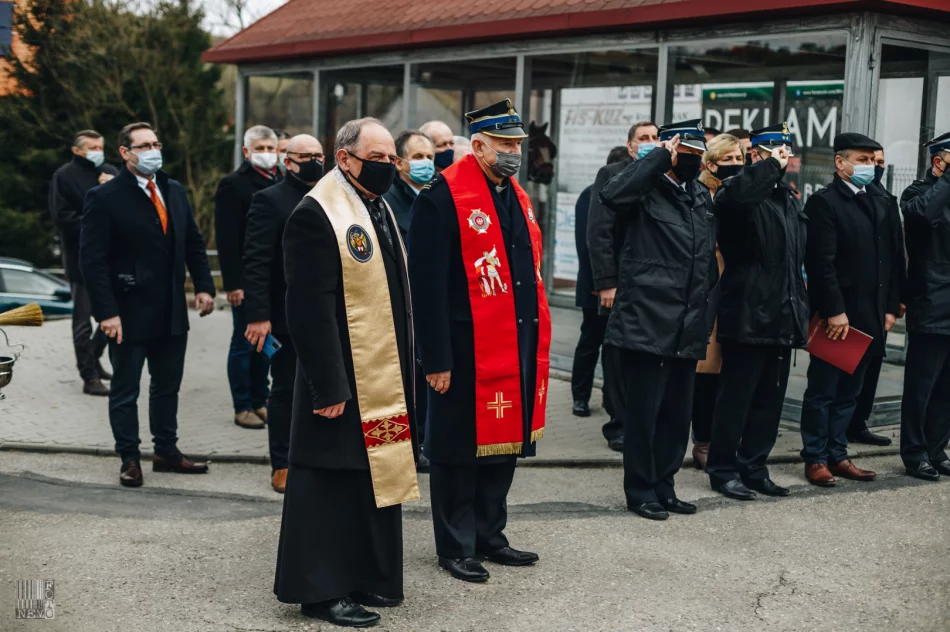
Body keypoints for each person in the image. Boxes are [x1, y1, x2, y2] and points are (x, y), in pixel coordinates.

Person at [274, 118, 419, 628]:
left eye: (390, 158)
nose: (387, 167)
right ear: (344, 158)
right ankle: (321, 590)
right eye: (376, 158)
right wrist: (328, 384)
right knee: (329, 486)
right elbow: (308, 309)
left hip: (379, 373)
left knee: (370, 480)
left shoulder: (375, 204)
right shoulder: (317, 214)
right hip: (337, 379)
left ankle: (368, 576)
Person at [409, 99, 549, 582]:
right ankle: (455, 545)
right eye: (506, 144)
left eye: (517, 144)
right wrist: (435, 358)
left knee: (503, 447)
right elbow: (425, 288)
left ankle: (491, 535)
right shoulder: (441, 197)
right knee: (456, 452)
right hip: (464, 352)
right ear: (479, 145)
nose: (514, 152)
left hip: (512, 347)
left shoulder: (515, 195)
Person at [79, 122, 216, 488]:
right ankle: (129, 457)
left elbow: (193, 244)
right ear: (125, 153)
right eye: (144, 145)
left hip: (171, 311)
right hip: (127, 313)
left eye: (156, 143)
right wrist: (106, 313)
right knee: (126, 390)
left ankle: (166, 452)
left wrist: (204, 286)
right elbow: (92, 261)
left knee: (167, 387)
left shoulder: (173, 189)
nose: (154, 150)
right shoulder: (105, 197)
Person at [597, 120, 716, 521]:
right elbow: (612, 196)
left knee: (676, 414)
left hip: (688, 319)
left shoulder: (699, 194)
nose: (694, 162)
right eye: (688, 154)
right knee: (644, 413)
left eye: (700, 156)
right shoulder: (643, 188)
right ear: (671, 152)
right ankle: (641, 490)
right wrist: (658, 157)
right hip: (647, 317)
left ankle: (665, 485)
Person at [705, 126, 809, 500]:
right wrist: (768, 169)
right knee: (736, 398)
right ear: (755, 155)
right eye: (773, 151)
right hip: (748, 311)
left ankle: (755, 467)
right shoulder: (736, 190)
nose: (783, 157)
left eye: (786, 151)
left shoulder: (789, 200)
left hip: (782, 313)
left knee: (770, 400)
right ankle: (722, 469)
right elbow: (743, 197)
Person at [801, 133, 902, 487]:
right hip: (839, 318)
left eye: (873, 161)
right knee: (824, 391)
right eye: (861, 160)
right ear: (840, 162)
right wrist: (833, 310)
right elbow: (821, 263)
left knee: (850, 392)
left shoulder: (881, 200)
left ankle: (837, 453)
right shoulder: (825, 203)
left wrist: (891, 306)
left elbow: (890, 258)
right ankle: (815, 458)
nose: (869, 167)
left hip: (871, 314)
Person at [243, 134, 325, 494]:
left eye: (319, 155)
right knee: (285, 391)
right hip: (285, 315)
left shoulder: (332, 197)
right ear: (288, 160)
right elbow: (257, 262)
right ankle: (282, 463)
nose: (314, 161)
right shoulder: (269, 200)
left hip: (328, 313)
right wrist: (259, 315)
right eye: (306, 156)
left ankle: (318, 459)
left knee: (325, 389)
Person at [586, 120, 660, 449]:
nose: (650, 142)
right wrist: (606, 282)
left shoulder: (662, 174)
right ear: (630, 146)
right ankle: (618, 423)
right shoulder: (612, 174)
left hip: (651, 281)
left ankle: (642, 420)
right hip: (620, 280)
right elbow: (599, 230)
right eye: (643, 138)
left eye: (655, 138)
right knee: (615, 353)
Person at [214, 125, 278, 430]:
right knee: (243, 341)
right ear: (246, 151)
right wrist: (233, 283)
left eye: (270, 148)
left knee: (265, 345)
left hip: (272, 280)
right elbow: (227, 239)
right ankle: (242, 405)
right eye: (260, 148)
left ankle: (260, 399)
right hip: (246, 278)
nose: (266, 154)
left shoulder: (279, 180)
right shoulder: (234, 185)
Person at [49, 130, 118, 396]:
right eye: (92, 147)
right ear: (77, 150)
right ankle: (89, 376)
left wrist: (112, 186)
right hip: (81, 260)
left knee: (113, 315)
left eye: (100, 146)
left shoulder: (111, 171)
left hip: (113, 259)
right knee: (82, 320)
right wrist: (97, 212)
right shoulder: (64, 176)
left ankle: (93, 358)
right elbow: (62, 217)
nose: (98, 151)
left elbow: (128, 206)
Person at [899, 131, 950, 481]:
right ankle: (915, 452)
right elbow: (922, 216)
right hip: (931, 302)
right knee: (922, 385)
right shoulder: (916, 193)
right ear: (938, 161)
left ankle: (936, 448)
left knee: (947, 388)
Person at [571, 145, 628, 453]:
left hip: (608, 285)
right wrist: (600, 282)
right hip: (594, 285)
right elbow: (589, 240)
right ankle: (580, 395)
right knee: (590, 341)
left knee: (609, 346)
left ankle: (608, 397)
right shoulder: (591, 195)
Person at [849, 148, 905, 447]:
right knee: (846, 370)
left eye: (880, 163)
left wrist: (896, 301)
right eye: (871, 162)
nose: (876, 167)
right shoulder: (846, 200)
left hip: (882, 300)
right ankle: (839, 431)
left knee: (871, 364)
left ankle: (858, 423)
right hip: (854, 302)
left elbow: (896, 255)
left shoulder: (886, 199)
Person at [690, 134, 739, 470]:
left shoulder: (743, 191)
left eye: (741, 157)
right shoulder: (700, 193)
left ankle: (726, 438)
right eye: (730, 158)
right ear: (711, 162)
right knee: (707, 370)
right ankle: (703, 439)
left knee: (731, 372)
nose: (737, 164)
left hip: (739, 289)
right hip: (709, 287)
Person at [383, 129, 435, 240]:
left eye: (430, 157)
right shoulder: (386, 200)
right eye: (418, 156)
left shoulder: (440, 195)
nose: (426, 162)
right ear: (399, 163)